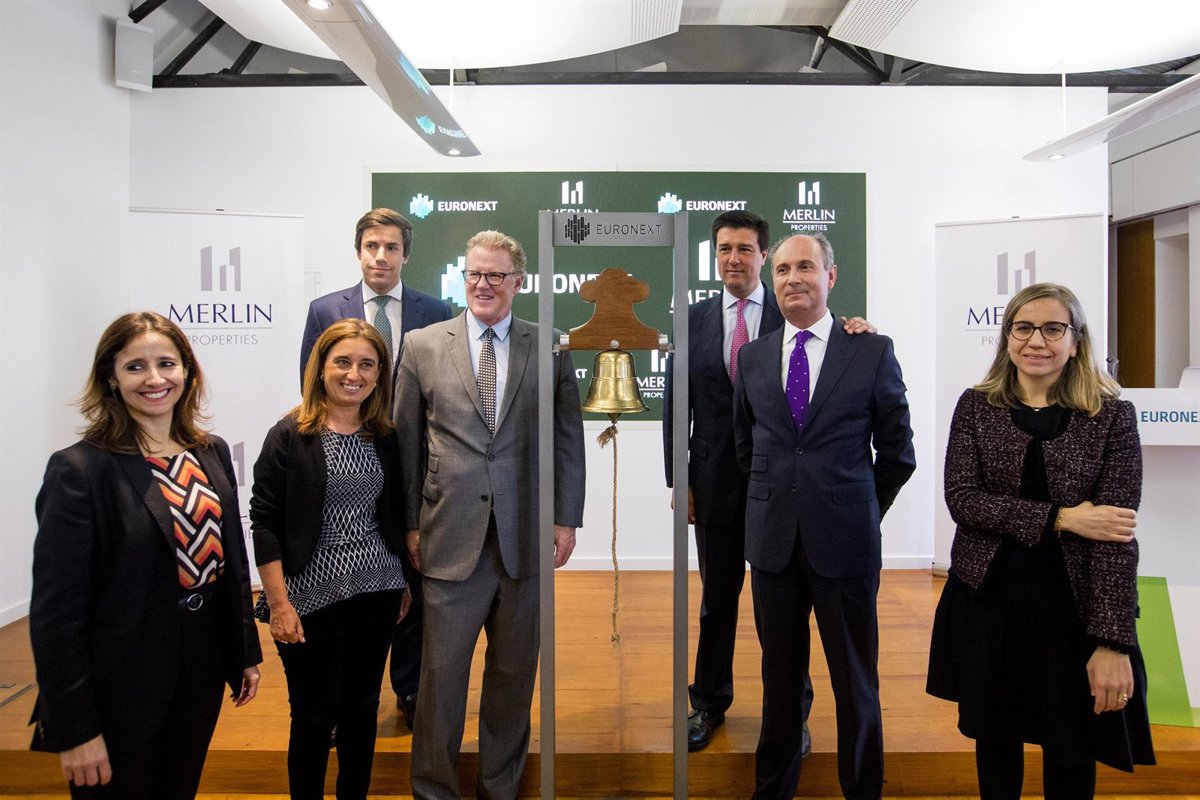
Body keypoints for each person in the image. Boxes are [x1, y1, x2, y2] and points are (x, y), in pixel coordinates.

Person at [927, 282, 1154, 798]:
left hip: (1072, 612)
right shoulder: (976, 406)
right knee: (995, 745)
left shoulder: (1112, 416)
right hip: (989, 604)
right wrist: (1062, 518)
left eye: (1053, 329)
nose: (1036, 341)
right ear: (1007, 337)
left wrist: (1112, 641)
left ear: (1076, 341)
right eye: (1023, 327)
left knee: (1072, 749)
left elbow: (1115, 535)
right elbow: (963, 500)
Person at [663, 210, 874, 751]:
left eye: (745, 249)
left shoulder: (793, 308)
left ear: (763, 256)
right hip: (713, 483)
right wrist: (679, 479)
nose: (733, 258)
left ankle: (790, 715)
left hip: (784, 488)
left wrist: (856, 326)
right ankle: (708, 702)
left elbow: (834, 348)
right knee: (717, 599)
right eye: (724, 249)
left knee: (781, 609)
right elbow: (675, 406)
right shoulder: (691, 318)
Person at [29, 311, 262, 799]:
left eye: (166, 363)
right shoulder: (80, 470)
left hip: (200, 665)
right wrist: (75, 728)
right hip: (120, 679)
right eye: (135, 366)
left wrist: (243, 652)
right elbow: (56, 615)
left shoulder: (211, 451)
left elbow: (231, 560)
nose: (155, 379)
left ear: (187, 372)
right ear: (111, 379)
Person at [395, 230, 586, 799]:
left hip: (525, 538)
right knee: (440, 679)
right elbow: (405, 443)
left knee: (512, 677)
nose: (483, 284)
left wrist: (566, 518)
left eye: (496, 275)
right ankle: (434, 790)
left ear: (518, 282)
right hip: (447, 536)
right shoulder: (422, 345)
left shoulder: (551, 345)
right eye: (474, 274)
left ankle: (499, 788)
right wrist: (409, 524)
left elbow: (568, 439)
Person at [732, 234, 915, 800]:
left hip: (846, 545)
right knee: (779, 685)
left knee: (855, 683)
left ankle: (862, 791)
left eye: (806, 267)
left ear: (830, 276)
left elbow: (898, 451)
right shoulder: (754, 356)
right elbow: (747, 447)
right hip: (773, 547)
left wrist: (859, 507)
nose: (793, 278)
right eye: (783, 268)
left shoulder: (870, 350)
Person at [300, 207, 452, 726]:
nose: (380, 256)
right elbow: (309, 384)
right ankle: (340, 698)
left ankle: (409, 689)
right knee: (347, 574)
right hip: (345, 457)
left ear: (406, 254)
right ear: (358, 251)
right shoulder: (325, 309)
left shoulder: (436, 309)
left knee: (411, 573)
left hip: (410, 458)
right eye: (371, 246)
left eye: (391, 247)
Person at [251, 318, 411, 800]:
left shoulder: (384, 434)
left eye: (367, 364)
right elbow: (264, 522)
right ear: (320, 367)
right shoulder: (289, 434)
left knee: (362, 710)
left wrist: (402, 581)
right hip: (307, 599)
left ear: (379, 374)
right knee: (314, 717)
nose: (353, 374)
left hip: (378, 592)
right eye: (342, 361)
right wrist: (279, 604)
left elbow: (392, 514)